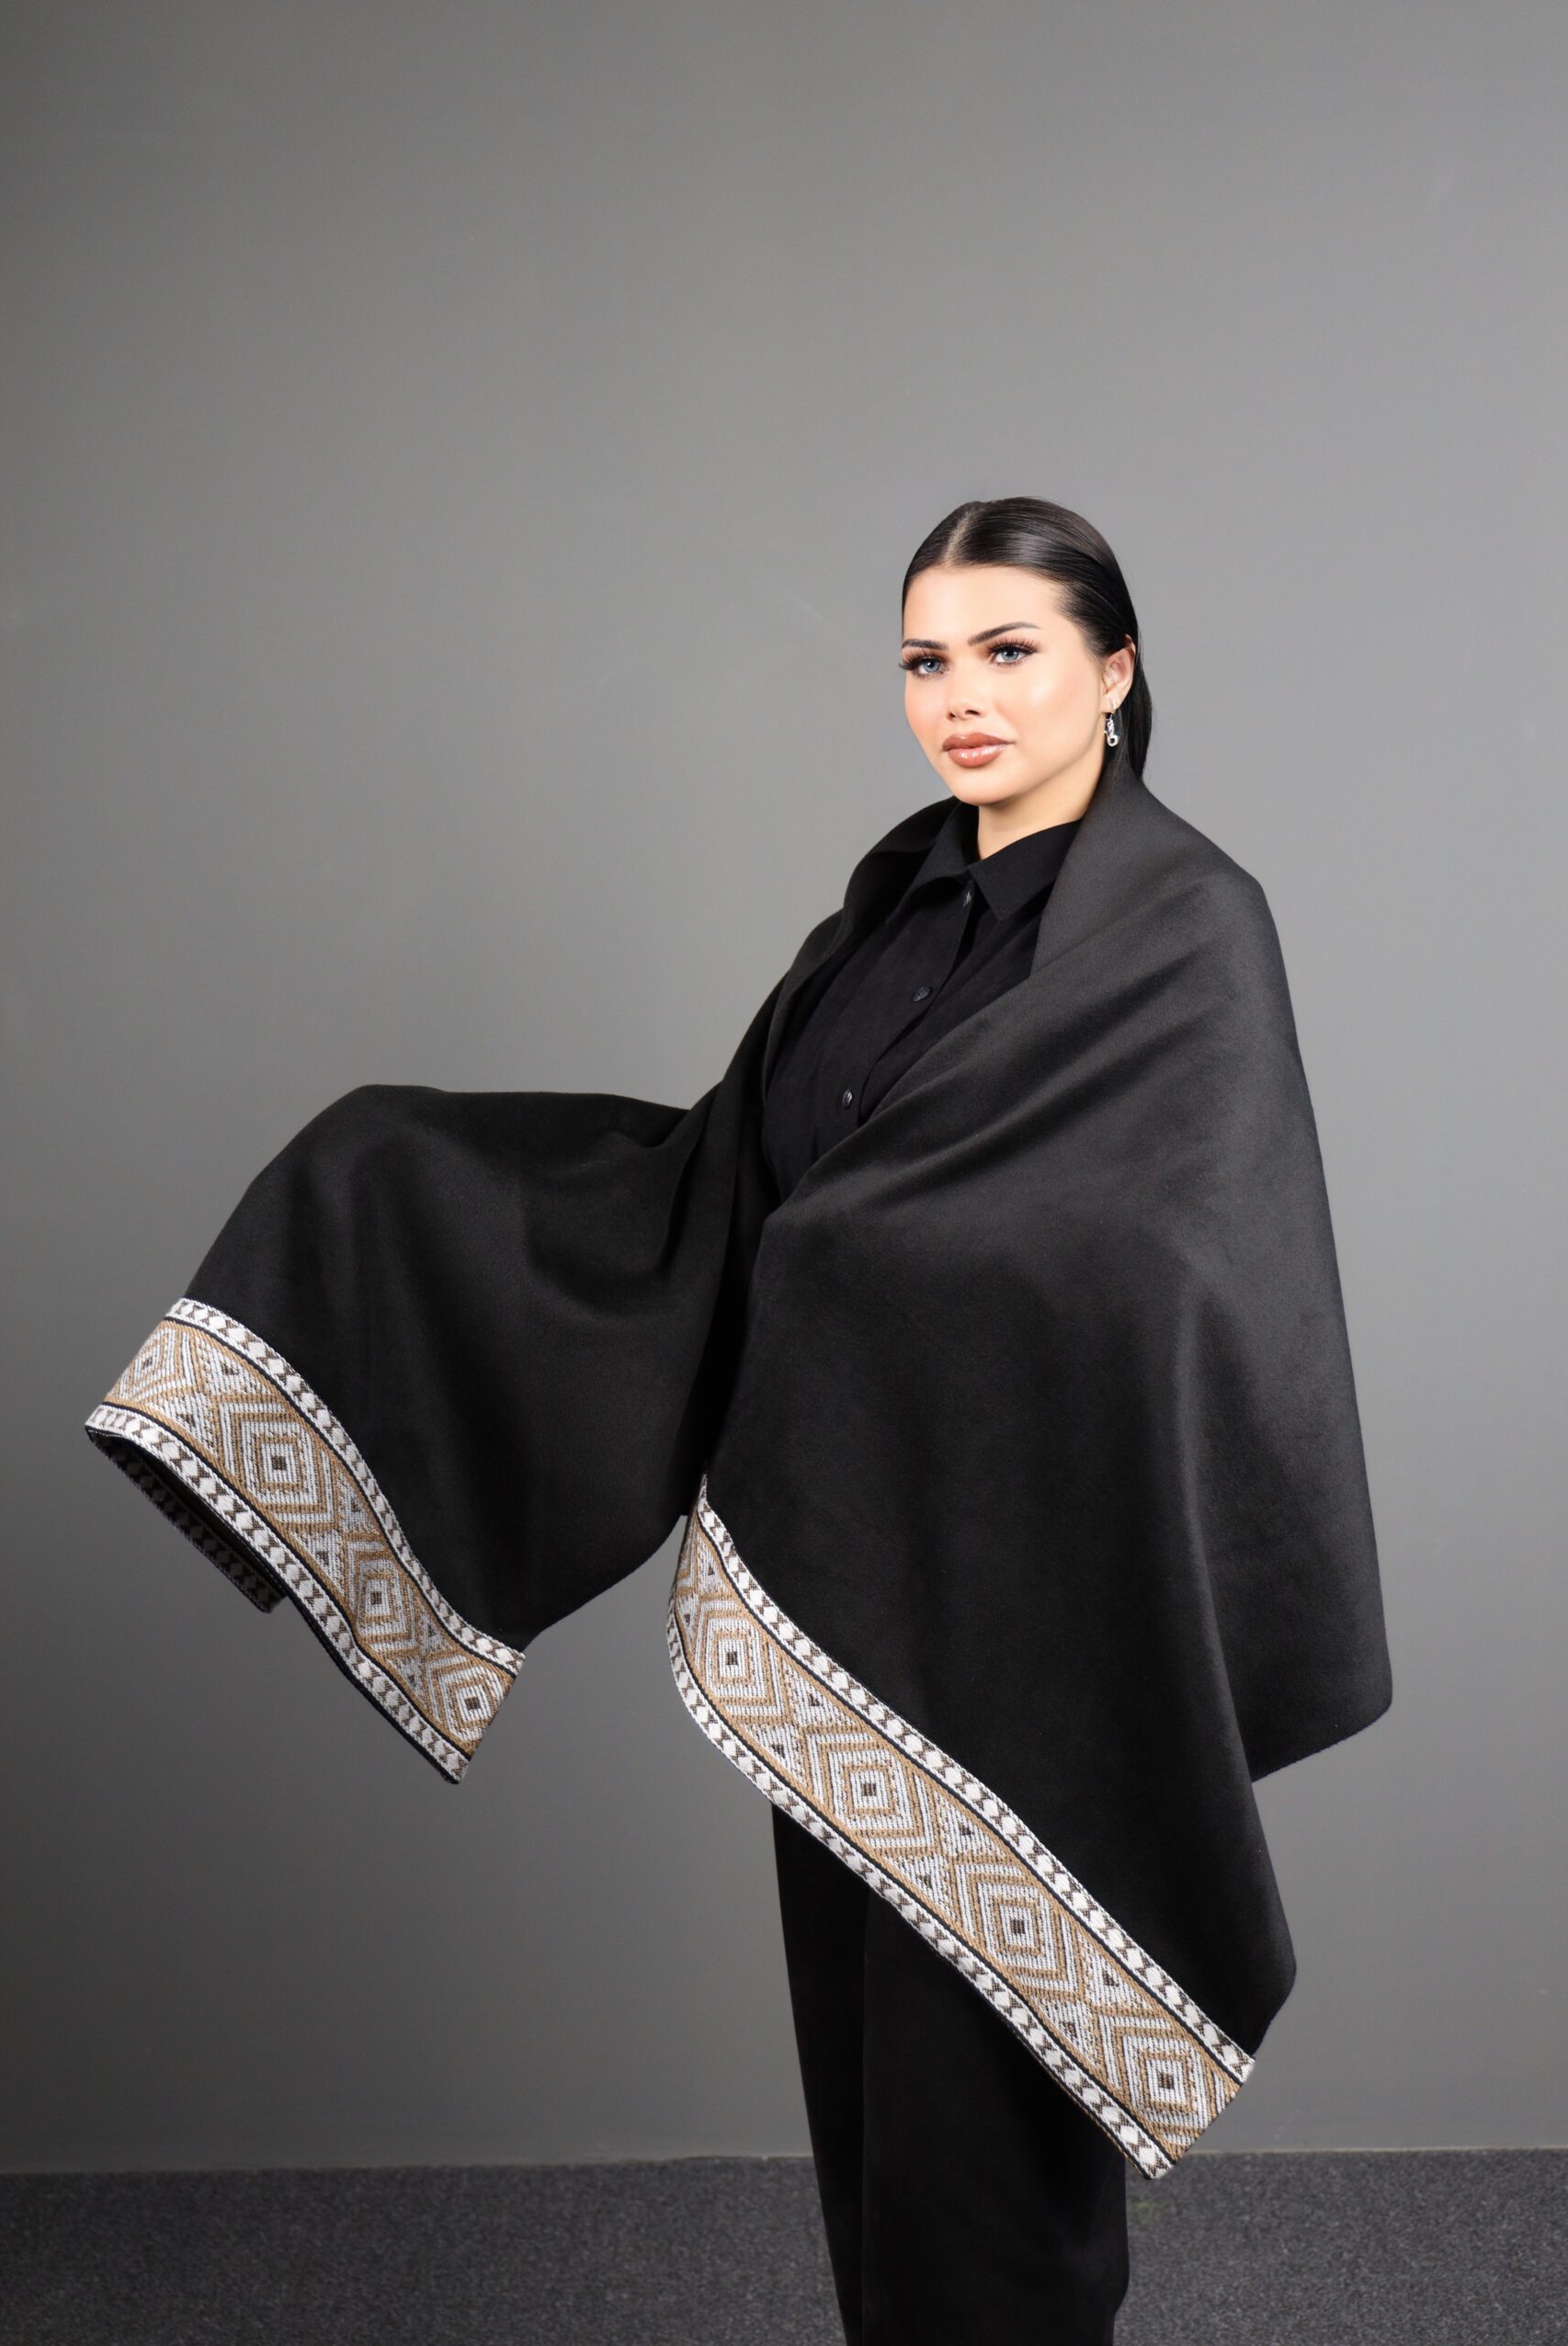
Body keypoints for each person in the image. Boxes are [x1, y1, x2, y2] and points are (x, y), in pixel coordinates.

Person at [86, 496, 1392, 2346]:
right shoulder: (891, 907)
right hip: (851, 1567)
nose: (960, 697)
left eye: (1008, 652)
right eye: (925, 660)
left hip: (1029, 1609)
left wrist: (870, 1257)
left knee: (985, 2144)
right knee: (870, 2111)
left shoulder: (1184, 930)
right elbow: (735, 1182)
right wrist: (411, 1190)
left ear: (1113, 671)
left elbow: (1174, 1265)